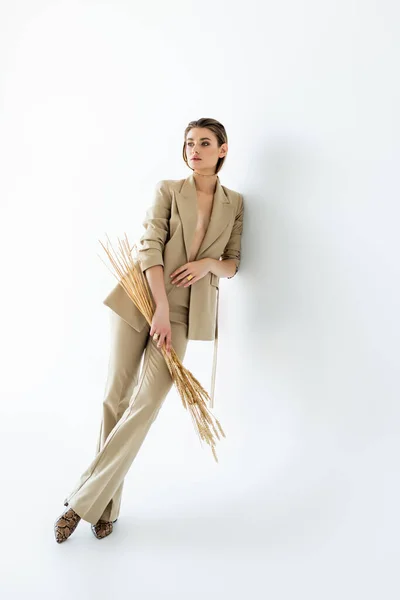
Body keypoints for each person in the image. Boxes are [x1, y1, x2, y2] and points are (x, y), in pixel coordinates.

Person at [54, 117, 244, 543]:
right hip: (141, 297)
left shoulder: (235, 203)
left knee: (146, 405)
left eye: (205, 143)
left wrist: (207, 265)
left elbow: (233, 262)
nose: (194, 150)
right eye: (189, 143)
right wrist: (158, 306)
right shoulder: (168, 190)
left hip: (183, 314)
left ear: (223, 150)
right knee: (115, 398)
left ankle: (82, 502)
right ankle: (107, 508)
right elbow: (149, 245)